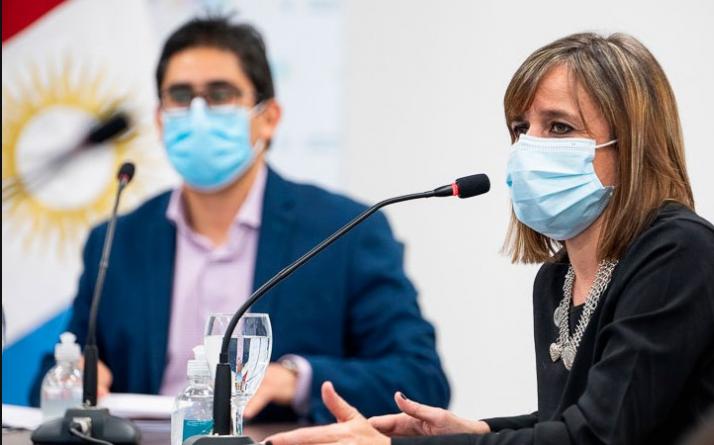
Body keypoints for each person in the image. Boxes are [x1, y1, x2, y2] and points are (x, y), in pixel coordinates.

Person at [264, 32, 714, 444]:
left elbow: (597, 437)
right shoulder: (557, 280)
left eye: (559, 127)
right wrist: (473, 431)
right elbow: (568, 419)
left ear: (632, 146)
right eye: (521, 127)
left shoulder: (679, 255)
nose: (529, 148)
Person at [31, 16, 450, 423]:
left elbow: (421, 379)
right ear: (159, 120)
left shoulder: (346, 230)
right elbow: (49, 378)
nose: (198, 112)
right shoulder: (117, 240)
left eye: (220, 94)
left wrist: (296, 379)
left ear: (268, 118)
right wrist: (71, 379)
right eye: (180, 96)